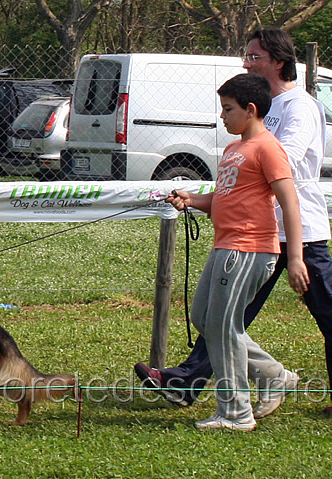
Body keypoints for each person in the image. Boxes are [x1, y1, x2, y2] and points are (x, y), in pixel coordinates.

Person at [135, 28, 332, 417]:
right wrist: (205, 197)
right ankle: (202, 380)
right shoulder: (259, 117)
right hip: (258, 233)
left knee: (324, 314)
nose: (246, 62)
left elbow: (282, 165)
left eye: (254, 57)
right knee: (219, 317)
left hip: (300, 234)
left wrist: (243, 166)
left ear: (279, 61)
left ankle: (220, 394)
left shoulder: (298, 106)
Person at [165, 73, 308, 430]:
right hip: (224, 246)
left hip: (249, 249)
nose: (222, 116)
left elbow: (290, 202)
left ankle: (235, 412)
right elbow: (224, 198)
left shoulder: (268, 148)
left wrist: (295, 257)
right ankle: (273, 374)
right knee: (205, 319)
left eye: (228, 109)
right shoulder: (234, 150)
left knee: (223, 326)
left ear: (251, 109)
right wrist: (193, 200)